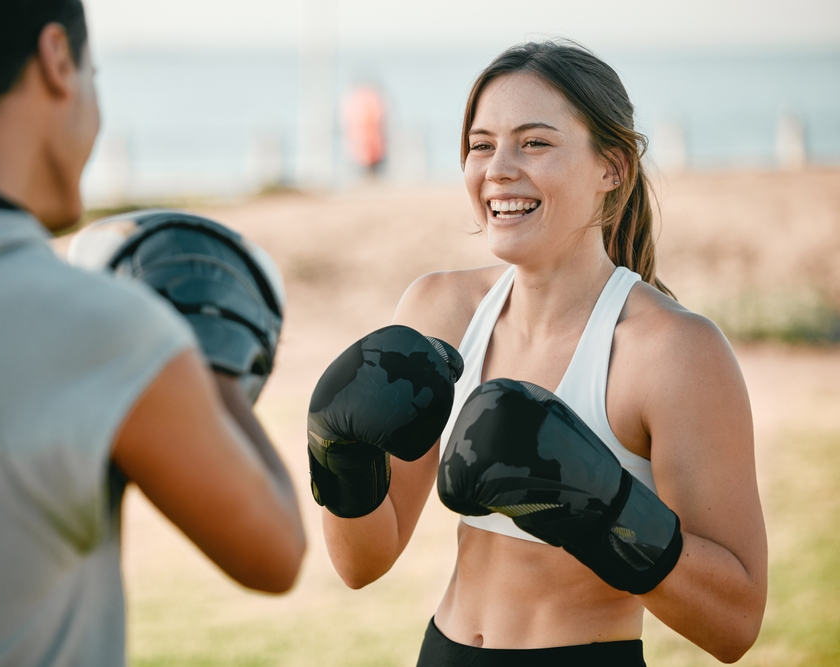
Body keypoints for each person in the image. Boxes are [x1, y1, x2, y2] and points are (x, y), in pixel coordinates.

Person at [0, 1, 305, 665]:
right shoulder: (89, 326)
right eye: (95, 71)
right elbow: (275, 548)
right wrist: (213, 359)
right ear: (57, 60)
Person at [308, 41, 766, 665]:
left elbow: (735, 622)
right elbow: (362, 563)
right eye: (481, 144)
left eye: (534, 142)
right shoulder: (438, 313)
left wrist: (601, 510)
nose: (498, 168)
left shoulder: (673, 352)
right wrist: (338, 457)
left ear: (612, 168)